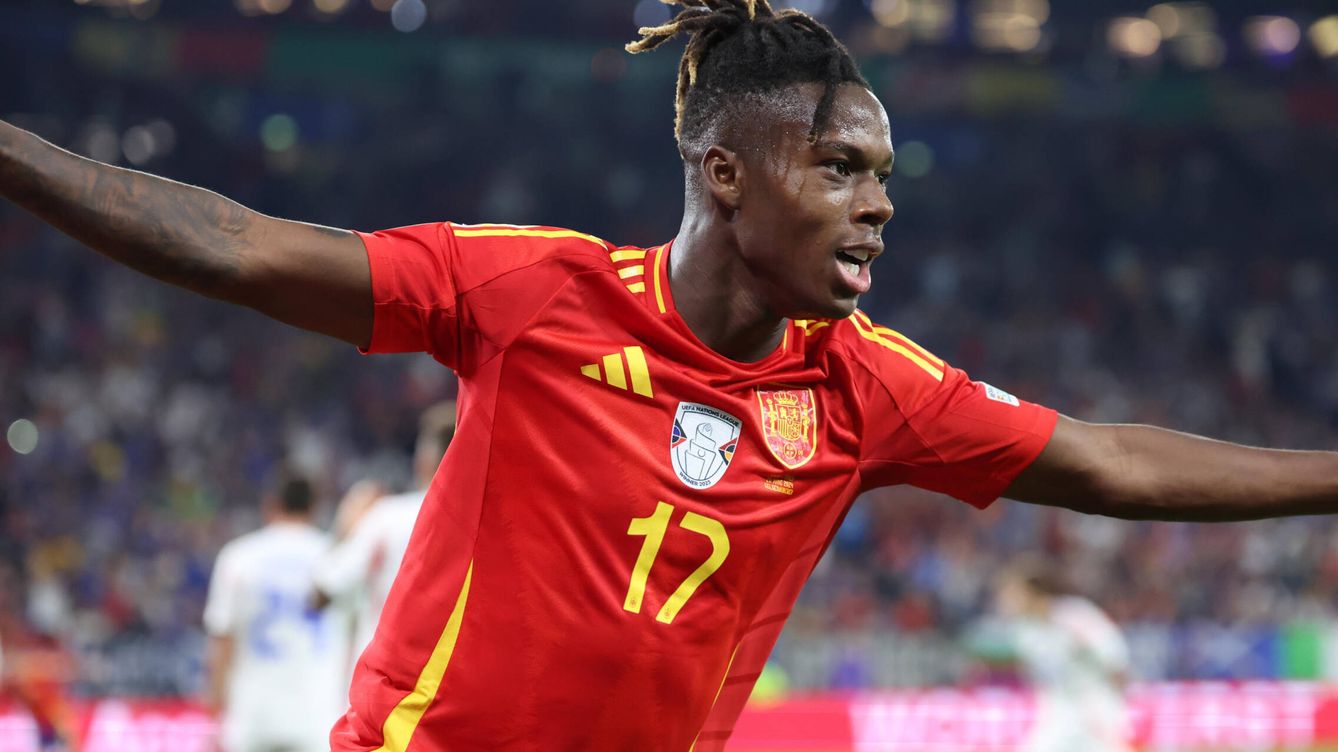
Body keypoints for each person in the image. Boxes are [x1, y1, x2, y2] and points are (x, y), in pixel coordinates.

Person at [3, 1, 1338, 748]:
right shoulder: (533, 294)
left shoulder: (864, 386)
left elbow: (1110, 458)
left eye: (881, 176)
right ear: (725, 174)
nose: (877, 205)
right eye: (839, 170)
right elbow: (241, 248)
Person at [203, 471, 346, 752]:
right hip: (317, 714)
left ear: (270, 504)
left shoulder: (238, 557)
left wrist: (215, 705)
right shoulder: (336, 556)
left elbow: (222, 638)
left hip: (254, 715)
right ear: (314, 507)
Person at [312, 401, 457, 671]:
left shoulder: (386, 517)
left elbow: (323, 591)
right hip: (450, 681)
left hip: (385, 681)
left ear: (424, 459)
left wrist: (346, 526)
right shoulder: (484, 526)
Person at [994, 556, 1132, 752]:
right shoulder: (1025, 630)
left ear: (1032, 593)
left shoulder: (1074, 615)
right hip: (1059, 710)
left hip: (1093, 707)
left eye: (1012, 593)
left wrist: (1117, 704)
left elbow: (1114, 658)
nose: (1006, 601)